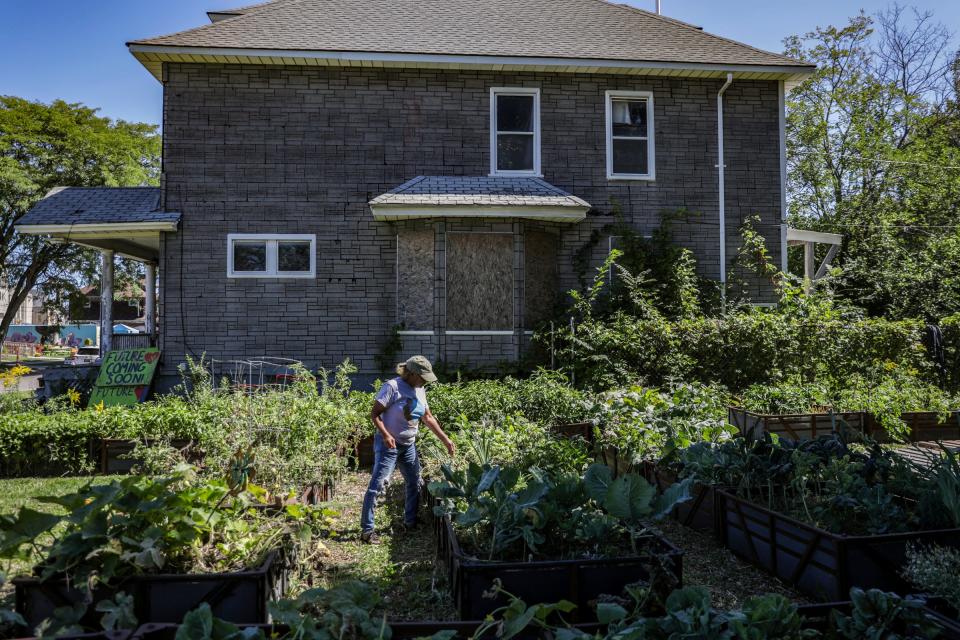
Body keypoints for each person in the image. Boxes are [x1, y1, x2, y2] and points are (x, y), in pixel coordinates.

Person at [360, 355, 455, 544]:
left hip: (408, 444)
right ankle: (367, 530)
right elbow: (375, 414)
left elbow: (427, 417)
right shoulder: (392, 387)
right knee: (378, 486)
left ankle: (410, 521)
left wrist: (446, 440)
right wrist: (386, 435)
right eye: (422, 377)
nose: (424, 381)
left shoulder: (420, 390)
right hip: (389, 444)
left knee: (414, 482)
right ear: (411, 374)